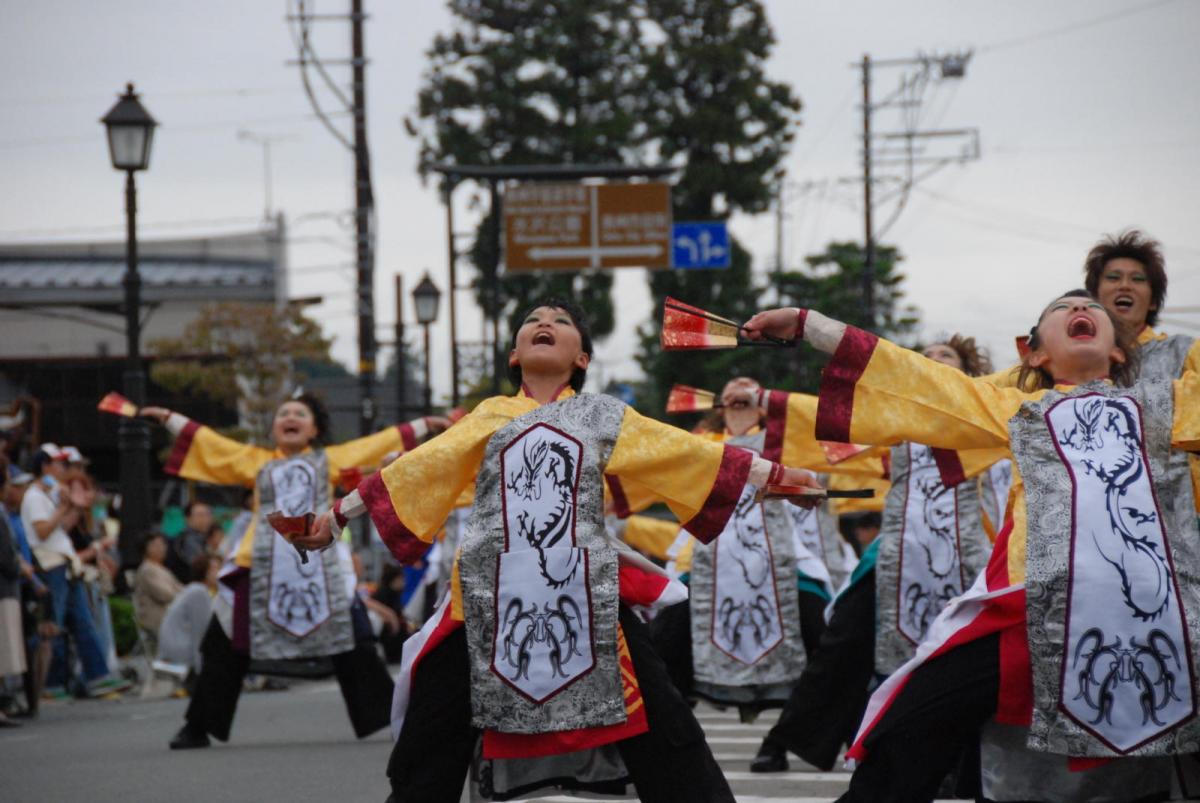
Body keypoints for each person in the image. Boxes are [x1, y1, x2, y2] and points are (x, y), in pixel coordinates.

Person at [297, 299, 821, 803]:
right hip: (484, 600)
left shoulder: (602, 414)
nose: (544, 323)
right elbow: (418, 468)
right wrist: (336, 517)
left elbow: (682, 450)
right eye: (533, 321)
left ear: (582, 358)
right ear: (514, 355)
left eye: (560, 321)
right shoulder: (488, 416)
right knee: (426, 751)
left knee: (668, 735)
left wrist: (773, 474)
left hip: (587, 593)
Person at [743, 292, 1199, 802]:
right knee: (908, 726)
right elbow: (917, 380)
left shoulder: (1169, 404)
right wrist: (810, 324)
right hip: (1032, 608)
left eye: (1092, 309)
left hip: (1160, 620)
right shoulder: (1016, 409)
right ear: (1035, 354)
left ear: (1118, 350)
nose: (1081, 311)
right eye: (1062, 308)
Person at [139, 393, 447, 749]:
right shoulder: (254, 461)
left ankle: (397, 719)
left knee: (355, 639)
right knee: (223, 640)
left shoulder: (328, 460)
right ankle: (198, 725)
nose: (290, 417)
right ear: (273, 428)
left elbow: (374, 446)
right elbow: (211, 444)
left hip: (320, 566)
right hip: (259, 567)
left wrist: (423, 425)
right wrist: (168, 417)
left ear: (314, 428)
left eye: (300, 413)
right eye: (283, 412)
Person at [20, 444, 126, 698]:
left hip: (65, 564)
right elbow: (43, 532)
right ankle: (48, 684)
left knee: (82, 621)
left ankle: (97, 677)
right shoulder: (34, 495)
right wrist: (62, 509)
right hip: (50, 565)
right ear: (45, 466)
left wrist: (73, 508)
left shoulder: (49, 493)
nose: (63, 470)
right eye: (59, 464)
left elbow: (60, 530)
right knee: (51, 627)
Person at [157, 553, 220, 678]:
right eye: (215, 568)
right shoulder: (199, 592)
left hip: (173, 649)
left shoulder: (194, 589)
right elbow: (201, 633)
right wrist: (201, 670)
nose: (220, 572)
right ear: (204, 572)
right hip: (181, 654)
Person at [133, 532, 183, 645]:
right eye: (156, 545)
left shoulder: (161, 568)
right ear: (146, 548)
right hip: (158, 618)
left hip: (168, 614)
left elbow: (180, 589)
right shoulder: (147, 569)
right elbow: (165, 595)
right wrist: (184, 596)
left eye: (163, 545)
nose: (162, 548)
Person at [166, 502, 213, 584]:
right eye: (200, 515)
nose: (205, 519)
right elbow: (202, 569)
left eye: (208, 515)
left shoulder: (199, 537)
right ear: (187, 519)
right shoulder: (189, 539)